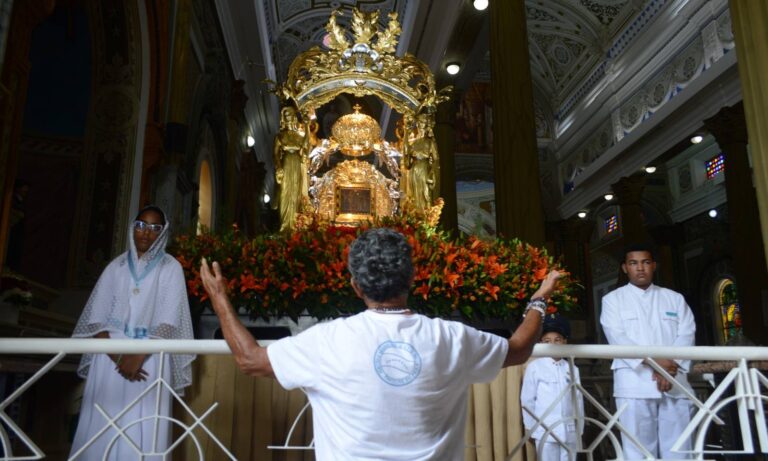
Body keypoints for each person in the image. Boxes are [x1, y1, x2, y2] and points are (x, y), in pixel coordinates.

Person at [200, 227, 561, 460]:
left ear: (356, 286)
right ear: (413, 277)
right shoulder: (450, 337)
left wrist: (219, 297)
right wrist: (539, 299)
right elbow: (519, 347)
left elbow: (249, 359)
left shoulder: (328, 340)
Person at [70, 205, 195, 459]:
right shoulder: (115, 267)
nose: (146, 233)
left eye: (154, 228)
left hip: (150, 359)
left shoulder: (170, 268)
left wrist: (137, 357)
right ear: (132, 228)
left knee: (146, 425)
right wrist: (118, 357)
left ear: (163, 232)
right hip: (109, 359)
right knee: (102, 423)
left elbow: (168, 322)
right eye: (141, 226)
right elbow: (96, 320)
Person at [600, 243, 695, 460]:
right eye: (633, 263)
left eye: (645, 262)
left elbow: (687, 333)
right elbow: (618, 338)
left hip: (674, 379)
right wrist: (657, 364)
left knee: (680, 447)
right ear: (625, 268)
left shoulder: (674, 298)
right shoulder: (612, 300)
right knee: (638, 449)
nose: (640, 268)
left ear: (654, 266)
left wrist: (668, 366)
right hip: (635, 382)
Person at [521, 313, 583, 461]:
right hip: (545, 430)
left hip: (569, 430)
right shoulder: (535, 367)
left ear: (565, 341)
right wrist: (530, 427)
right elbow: (527, 400)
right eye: (547, 340)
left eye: (557, 340)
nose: (552, 344)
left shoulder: (572, 368)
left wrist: (579, 428)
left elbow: (578, 400)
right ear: (541, 342)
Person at [274, 105, 310, 232]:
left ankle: (294, 225)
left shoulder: (299, 136)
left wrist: (306, 126)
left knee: (295, 193)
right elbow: (275, 154)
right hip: (286, 164)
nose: (288, 118)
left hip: (296, 165)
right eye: (286, 116)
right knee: (285, 193)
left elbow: (306, 146)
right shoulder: (280, 136)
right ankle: (284, 225)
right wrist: (278, 166)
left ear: (294, 117)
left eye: (290, 115)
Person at [406, 113, 439, 211]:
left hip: (424, 168)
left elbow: (436, 159)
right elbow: (408, 162)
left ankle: (425, 213)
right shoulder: (414, 142)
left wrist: (432, 172)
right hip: (414, 169)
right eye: (419, 122)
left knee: (425, 193)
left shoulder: (430, 142)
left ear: (427, 124)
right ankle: (415, 214)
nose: (421, 124)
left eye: (423, 122)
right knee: (414, 193)